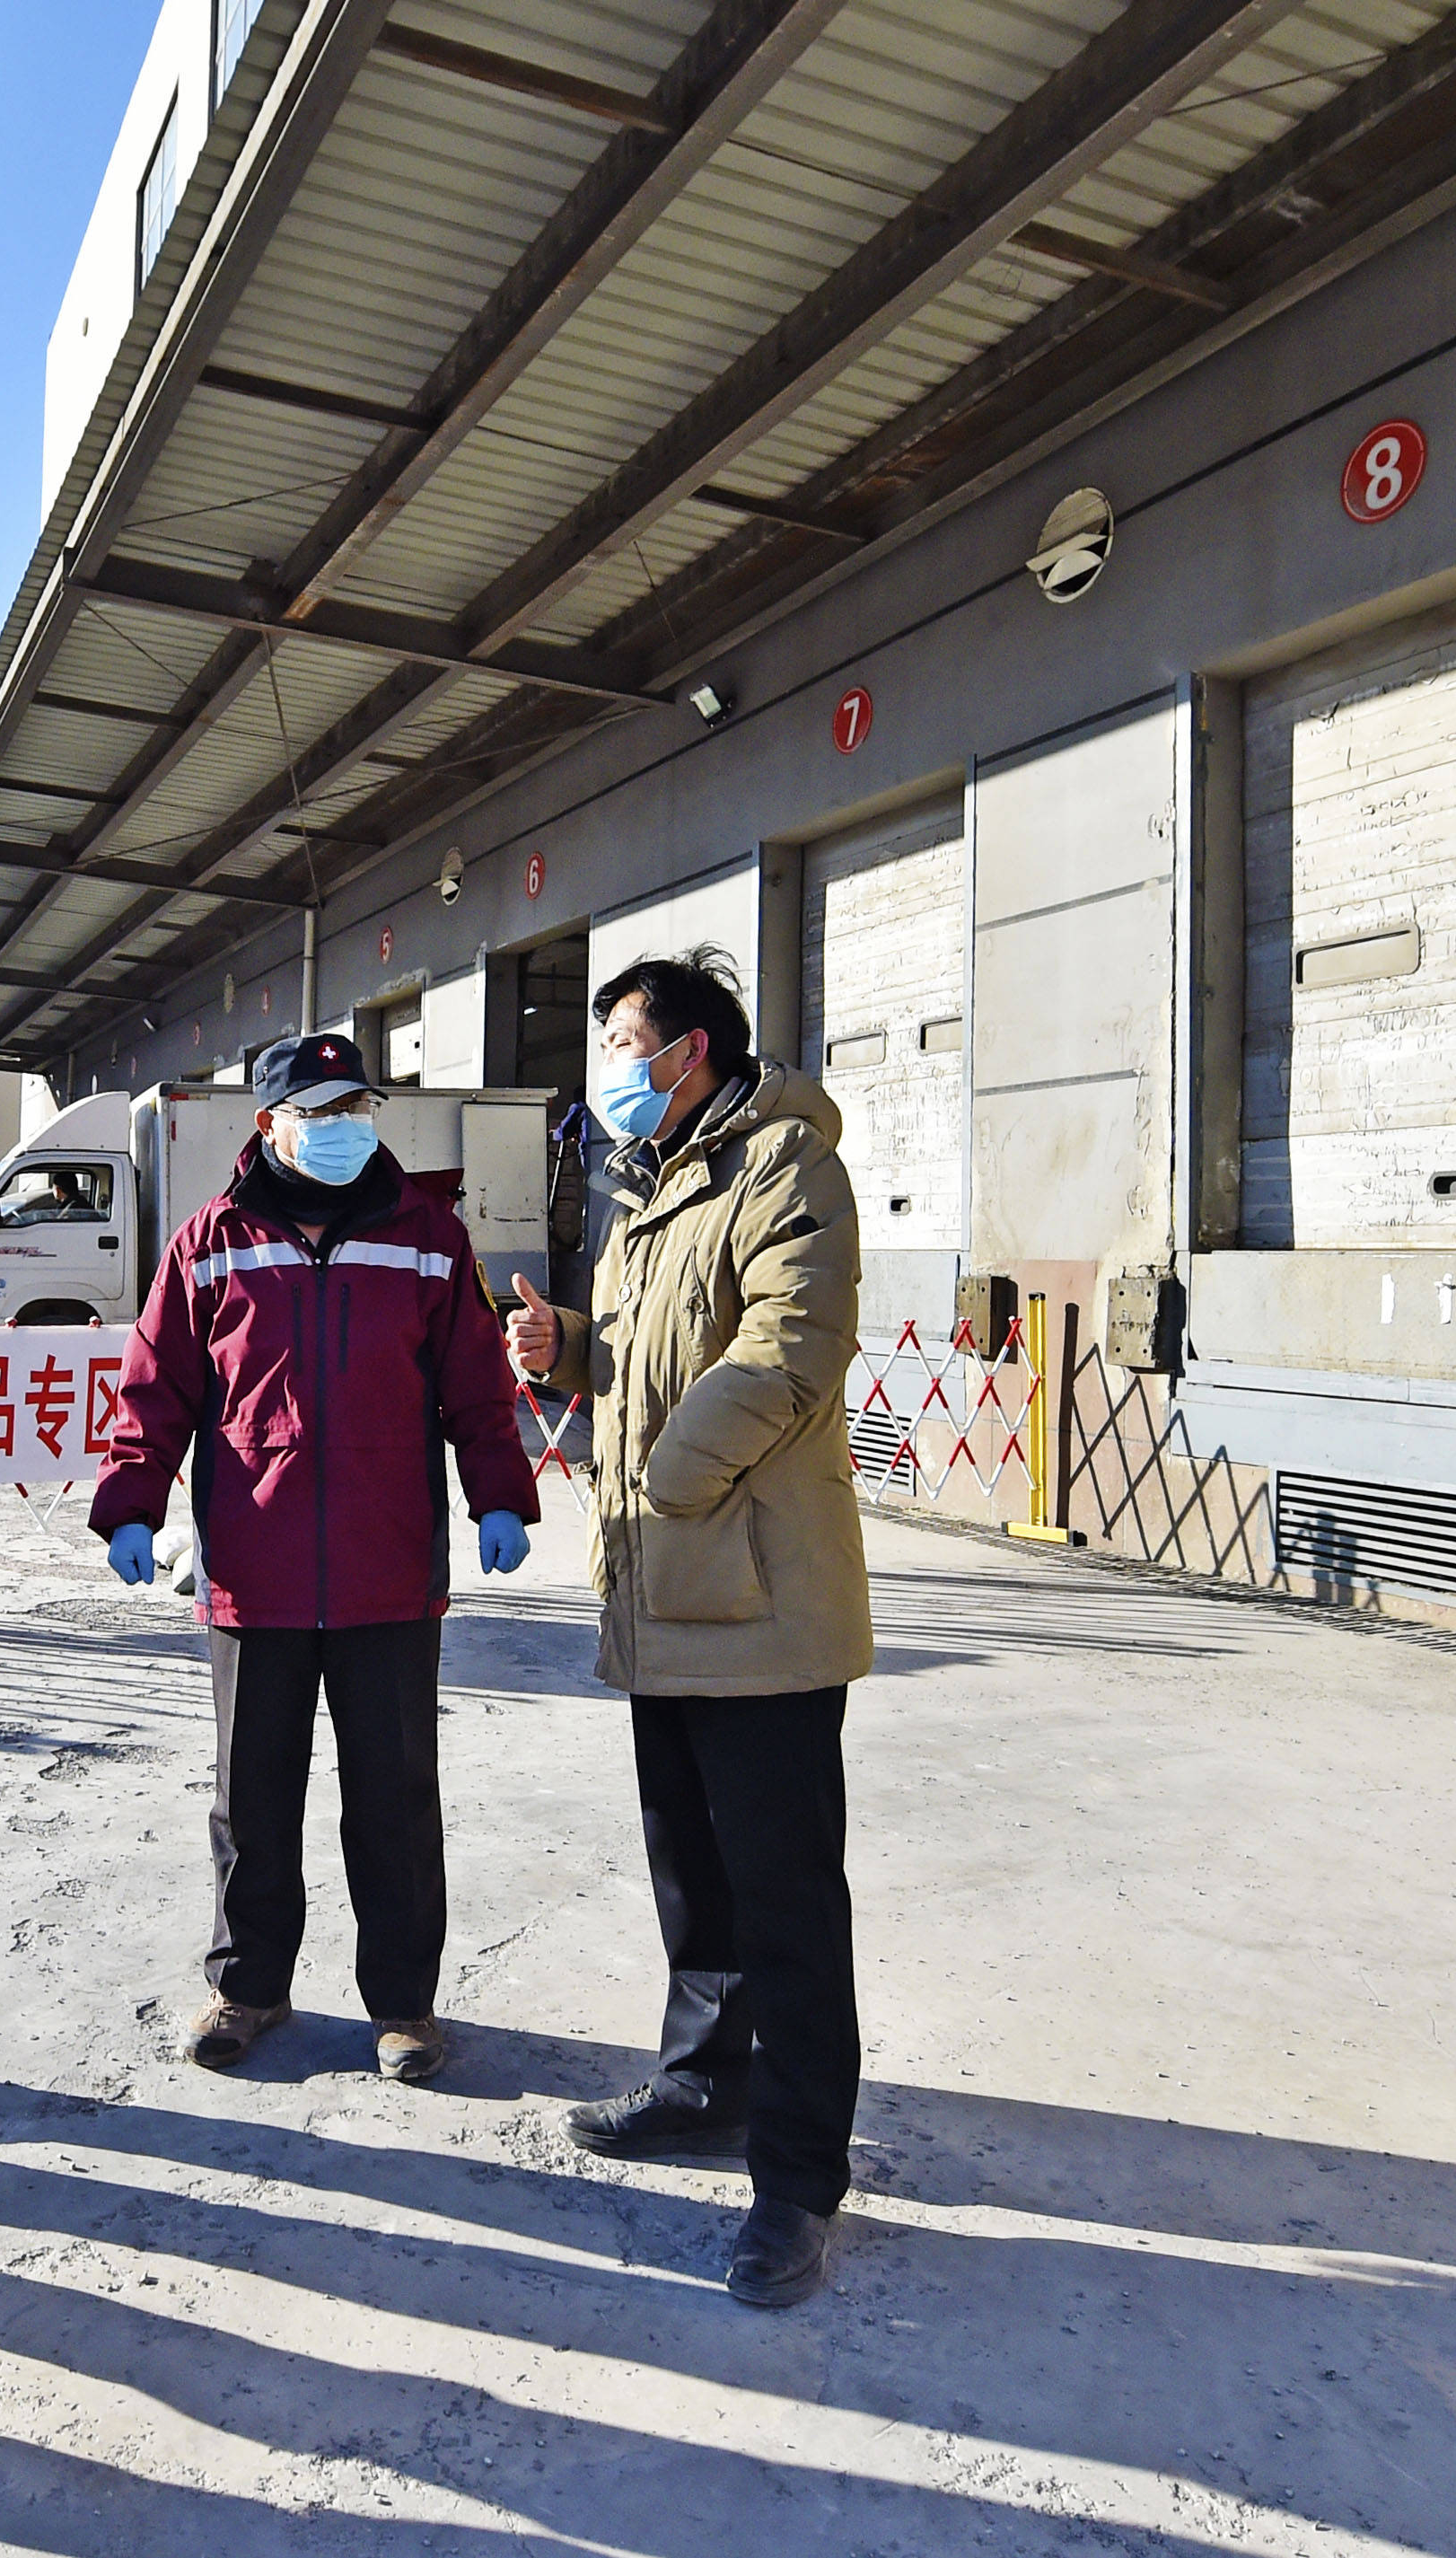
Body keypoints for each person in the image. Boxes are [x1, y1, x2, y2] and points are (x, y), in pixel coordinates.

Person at [504, 946, 871, 2312]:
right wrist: (573, 1353)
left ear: (691, 1052)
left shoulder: (784, 1166)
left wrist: (658, 1467)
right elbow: (649, 1347)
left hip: (754, 1594)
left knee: (783, 1896)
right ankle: (706, 2080)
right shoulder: (656, 1192)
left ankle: (796, 2173)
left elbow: (788, 1345)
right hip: (662, 1589)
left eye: (623, 1048)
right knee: (692, 1874)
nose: (609, 1077)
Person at [92, 1031, 539, 2084]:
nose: (342, 1129)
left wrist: (500, 1497)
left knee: (394, 1795)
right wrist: (129, 1502)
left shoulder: (429, 1238)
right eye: (320, 1111)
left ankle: (405, 2006)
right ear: (270, 1125)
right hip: (256, 1569)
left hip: (390, 1569)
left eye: (356, 1108)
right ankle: (247, 1986)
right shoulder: (210, 1243)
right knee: (251, 1795)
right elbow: (156, 1388)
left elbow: (475, 1388)